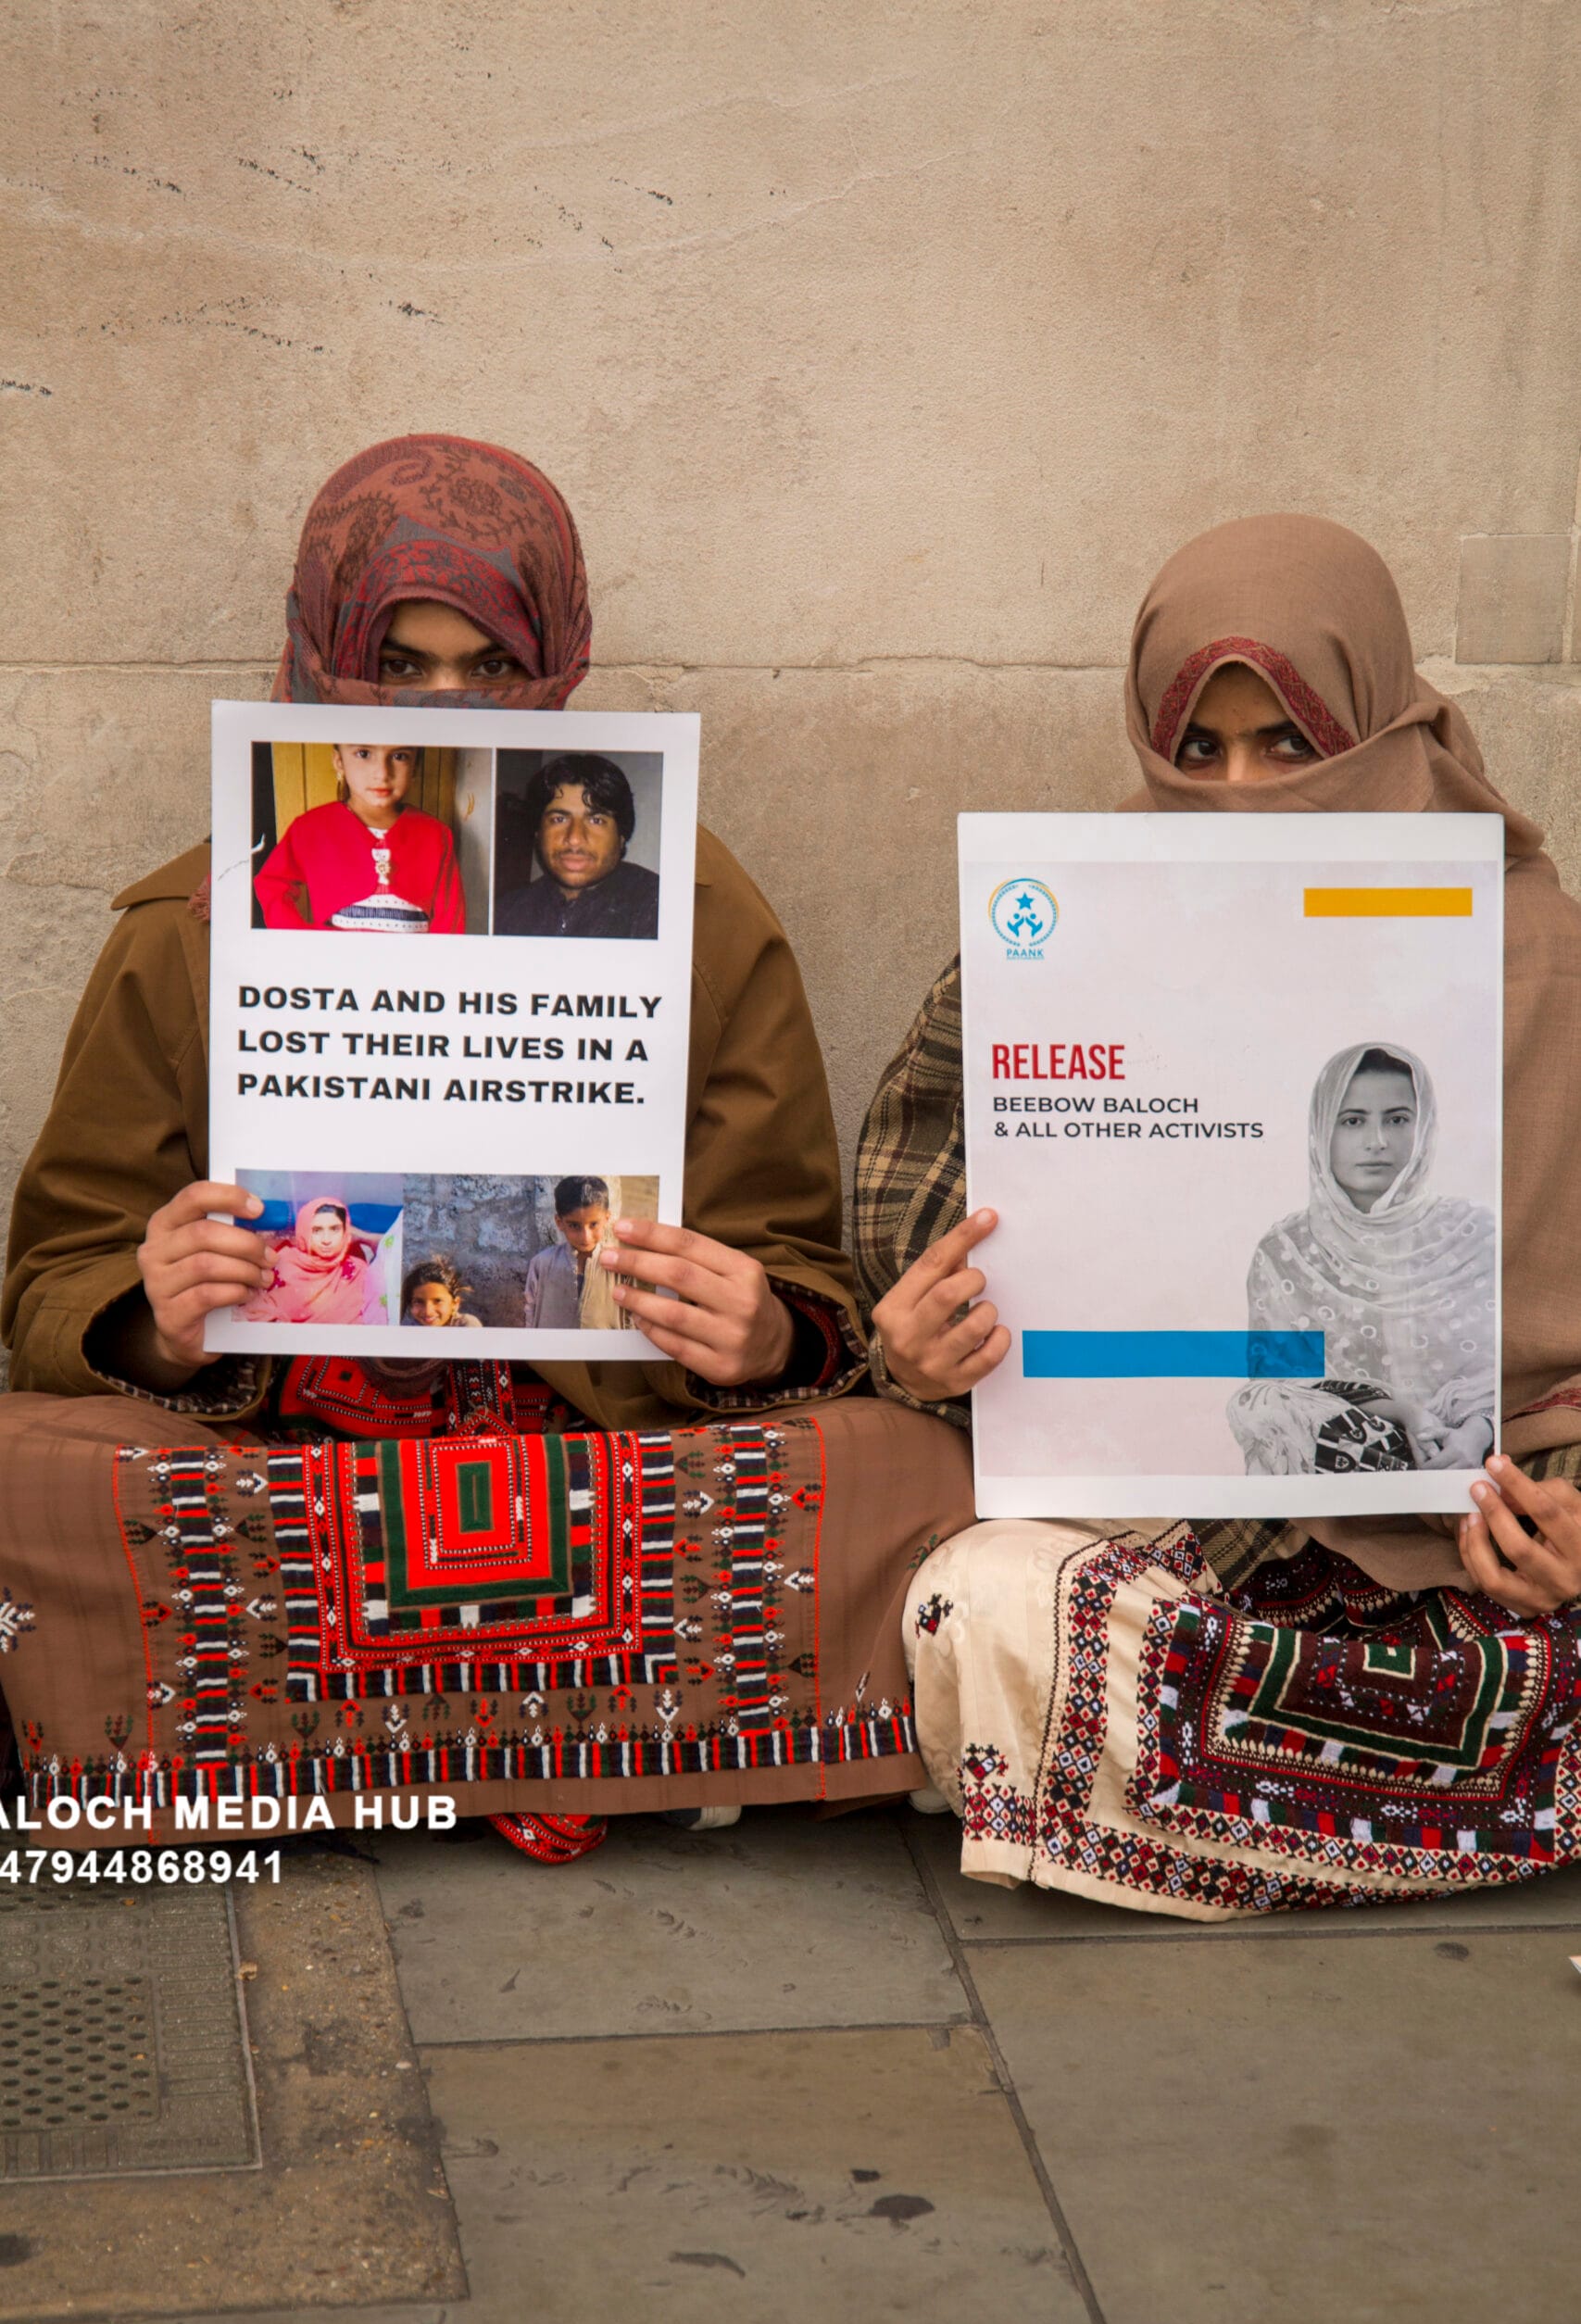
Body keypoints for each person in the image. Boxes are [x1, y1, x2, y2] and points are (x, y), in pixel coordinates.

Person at [0, 433, 973, 1865]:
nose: (452, 707)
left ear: (558, 664)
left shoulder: (695, 913)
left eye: (490, 667)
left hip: (616, 1452)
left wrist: (762, 1333)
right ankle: (649, 1744)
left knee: (918, 1472)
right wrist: (156, 1321)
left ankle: (296, 1750)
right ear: (328, 661)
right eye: (401, 669)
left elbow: (793, 1261)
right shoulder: (195, 927)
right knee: (27, 1478)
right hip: (293, 1452)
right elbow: (52, 1281)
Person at [856, 512, 1581, 1921]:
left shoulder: (1535, 962)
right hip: (1183, 1522)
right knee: (979, 1599)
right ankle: (1360, 1820)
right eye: (1197, 752)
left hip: (1469, 1560)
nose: (1239, 793)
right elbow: (921, 1197)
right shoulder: (1074, 927)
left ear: (1376, 725)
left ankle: (1215, 1815)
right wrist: (926, 1327)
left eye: (1287, 746)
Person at [1227, 1042, 1496, 1477]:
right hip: (1358, 1454)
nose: (1377, 1142)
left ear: (1423, 1128)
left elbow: (1508, 1375)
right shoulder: (1287, 1249)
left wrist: (1477, 1432)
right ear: (1321, 1133)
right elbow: (1285, 1386)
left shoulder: (1475, 1232)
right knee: (1259, 1403)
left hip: (1474, 1453)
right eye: (1353, 1121)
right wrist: (1407, 1413)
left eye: (1397, 1119)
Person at [254, 742, 467, 933]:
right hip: (335, 970)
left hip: (410, 970)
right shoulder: (312, 827)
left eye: (399, 756)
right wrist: (302, 942)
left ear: (415, 766)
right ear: (339, 761)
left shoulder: (435, 833)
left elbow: (451, 916)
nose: (382, 773)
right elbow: (271, 884)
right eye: (364, 753)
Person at [494, 754, 659, 939]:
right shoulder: (506, 913)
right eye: (559, 819)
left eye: (596, 820)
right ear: (538, 832)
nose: (574, 839)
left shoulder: (658, 908)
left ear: (621, 836)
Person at [241, 1194, 379, 1325]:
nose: (326, 1240)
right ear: (304, 1231)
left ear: (345, 1231)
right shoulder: (283, 1263)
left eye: (334, 1229)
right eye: (317, 1230)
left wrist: (365, 1237)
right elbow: (256, 1309)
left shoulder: (358, 1271)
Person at [521, 1177, 614, 1328]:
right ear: (559, 1223)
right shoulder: (542, 1264)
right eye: (574, 1226)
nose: (585, 1237)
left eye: (594, 1225)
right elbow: (530, 1311)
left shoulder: (617, 1267)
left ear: (606, 1219)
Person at [403, 1254, 482, 1329]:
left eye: (438, 1301)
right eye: (418, 1302)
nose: (428, 1311)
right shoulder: (410, 1328)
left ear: (455, 1304)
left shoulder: (466, 1325)